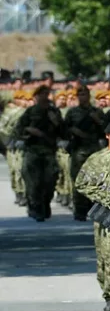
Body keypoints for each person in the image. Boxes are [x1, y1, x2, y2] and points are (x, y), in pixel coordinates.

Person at [15, 86, 64, 221]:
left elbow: (64, 132)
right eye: (41, 94)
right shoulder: (30, 112)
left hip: (49, 151)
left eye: (46, 94)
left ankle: (45, 203)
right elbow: (18, 130)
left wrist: (56, 122)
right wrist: (29, 131)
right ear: (36, 97)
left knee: (50, 180)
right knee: (33, 182)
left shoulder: (54, 112)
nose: (44, 97)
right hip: (33, 151)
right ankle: (35, 207)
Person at [64, 85, 107, 221]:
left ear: (89, 96)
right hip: (78, 150)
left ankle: (94, 208)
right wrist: (73, 132)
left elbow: (106, 130)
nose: (82, 97)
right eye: (80, 94)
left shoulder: (97, 112)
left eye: (84, 94)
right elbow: (63, 130)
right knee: (77, 180)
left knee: (95, 180)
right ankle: (79, 209)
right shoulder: (72, 113)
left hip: (94, 150)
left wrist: (97, 121)